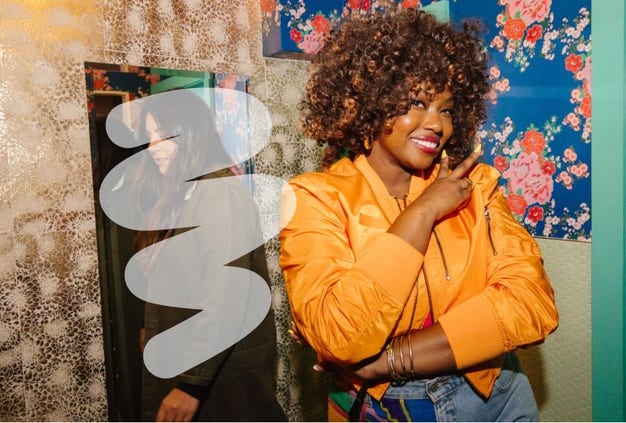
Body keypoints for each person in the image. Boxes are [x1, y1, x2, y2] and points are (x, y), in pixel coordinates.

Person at [278, 8, 559, 422]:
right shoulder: (314, 197)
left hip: (498, 394)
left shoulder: (477, 186)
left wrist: (386, 361)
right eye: (416, 102)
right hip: (390, 407)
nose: (436, 124)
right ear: (367, 101)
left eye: (446, 109)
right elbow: (340, 333)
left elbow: (531, 305)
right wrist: (425, 210)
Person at [126, 90, 287, 422]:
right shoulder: (182, 189)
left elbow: (225, 295)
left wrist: (192, 386)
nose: (154, 147)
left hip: (219, 379)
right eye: (150, 136)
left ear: (192, 134)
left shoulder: (219, 194)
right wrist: (150, 325)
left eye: (164, 135)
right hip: (190, 360)